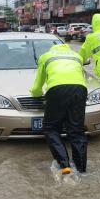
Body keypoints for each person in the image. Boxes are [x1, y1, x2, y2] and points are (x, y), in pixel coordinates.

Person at [30, 43, 88, 174]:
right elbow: (80, 77)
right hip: (80, 89)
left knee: (51, 128)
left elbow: (38, 85)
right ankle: (81, 169)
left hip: (56, 89)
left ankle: (64, 164)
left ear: (52, 49)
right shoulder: (76, 56)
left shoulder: (46, 57)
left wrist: (36, 94)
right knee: (77, 130)